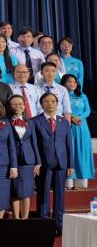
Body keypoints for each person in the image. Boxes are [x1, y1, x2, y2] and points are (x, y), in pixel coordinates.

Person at [33, 92, 74, 232]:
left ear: (57, 104)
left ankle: (59, 224)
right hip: (44, 163)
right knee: (43, 194)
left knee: (60, 196)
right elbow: (35, 145)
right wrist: (37, 162)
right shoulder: (35, 121)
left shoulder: (64, 122)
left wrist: (71, 164)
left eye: (53, 101)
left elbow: (68, 144)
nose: (50, 104)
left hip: (61, 163)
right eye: (47, 101)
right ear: (42, 104)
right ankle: (44, 224)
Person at [7, 94, 39, 220]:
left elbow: (34, 142)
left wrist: (38, 161)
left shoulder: (29, 122)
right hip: (12, 159)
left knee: (26, 192)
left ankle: (25, 219)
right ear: (9, 106)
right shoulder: (5, 122)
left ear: (24, 106)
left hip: (28, 160)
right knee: (14, 191)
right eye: (14, 104)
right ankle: (16, 218)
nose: (18, 106)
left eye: (20, 104)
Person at [63, 74, 92, 189]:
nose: (72, 84)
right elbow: (60, 110)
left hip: (82, 126)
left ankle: (81, 181)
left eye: (74, 82)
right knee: (70, 152)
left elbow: (88, 110)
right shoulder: (62, 95)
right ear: (64, 83)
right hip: (68, 126)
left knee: (81, 151)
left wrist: (80, 117)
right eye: (69, 82)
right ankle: (68, 182)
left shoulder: (82, 96)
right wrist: (71, 117)